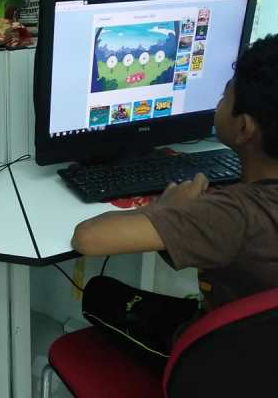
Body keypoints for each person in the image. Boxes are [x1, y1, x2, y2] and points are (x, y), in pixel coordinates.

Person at [72, 34, 278, 359]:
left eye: (224, 97)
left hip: (214, 362)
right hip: (259, 352)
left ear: (244, 128)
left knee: (99, 293)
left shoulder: (234, 214)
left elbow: (87, 238)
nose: (218, 104)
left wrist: (167, 208)